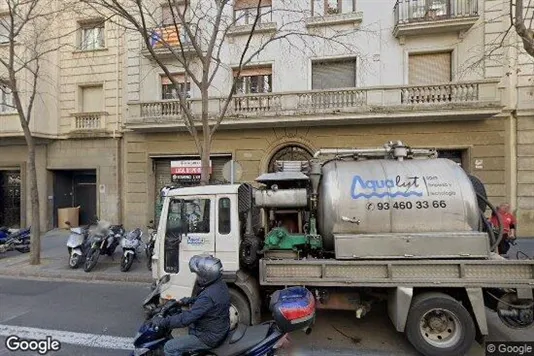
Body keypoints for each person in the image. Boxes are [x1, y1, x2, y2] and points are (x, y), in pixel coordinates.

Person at [151, 255, 231, 356]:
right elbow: (205, 301)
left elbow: (185, 319)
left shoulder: (209, 296)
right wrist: (185, 301)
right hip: (218, 329)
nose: (197, 277)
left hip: (208, 337)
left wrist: (163, 322)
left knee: (169, 347)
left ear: (207, 276)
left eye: (199, 275)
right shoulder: (219, 285)